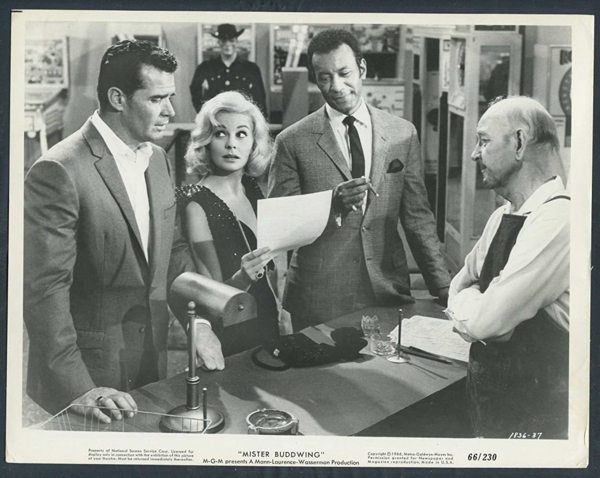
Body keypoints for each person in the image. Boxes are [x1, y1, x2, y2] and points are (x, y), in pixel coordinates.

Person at [23, 40, 225, 423]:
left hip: (150, 359)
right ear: (118, 98)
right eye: (157, 99)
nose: (171, 111)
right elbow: (44, 293)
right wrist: (80, 388)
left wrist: (196, 321)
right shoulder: (58, 170)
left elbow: (172, 251)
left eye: (170, 97)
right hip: (89, 378)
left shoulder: (158, 158)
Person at [268, 29, 450, 330]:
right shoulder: (291, 141)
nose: (336, 87)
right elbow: (281, 228)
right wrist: (331, 206)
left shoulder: (402, 134)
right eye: (325, 77)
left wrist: (443, 286)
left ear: (362, 69)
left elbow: (418, 218)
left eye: (344, 73)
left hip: (386, 288)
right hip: (318, 297)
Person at [446, 96, 569, 438]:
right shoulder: (502, 215)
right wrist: (478, 306)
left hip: (539, 418)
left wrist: (477, 308)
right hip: (491, 409)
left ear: (519, 143)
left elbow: (486, 324)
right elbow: (458, 285)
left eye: (483, 141)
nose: (474, 154)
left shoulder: (558, 219)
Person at [177, 91, 288, 356]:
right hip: (234, 335)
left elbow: (273, 269)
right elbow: (211, 300)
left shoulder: (252, 188)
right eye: (220, 133)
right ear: (206, 141)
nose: (231, 144)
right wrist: (242, 277)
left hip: (269, 321)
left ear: (254, 143)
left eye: (241, 134)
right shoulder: (197, 204)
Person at [190, 24, 267, 115]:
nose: (227, 44)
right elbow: (194, 89)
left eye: (231, 40)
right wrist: (204, 112)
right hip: (215, 118)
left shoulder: (251, 68)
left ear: (237, 41)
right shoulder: (206, 67)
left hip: (242, 118)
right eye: (223, 41)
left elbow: (260, 99)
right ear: (218, 42)